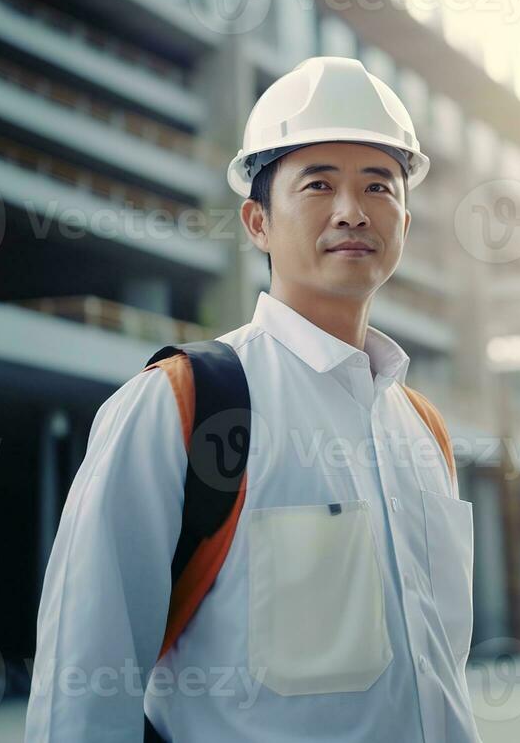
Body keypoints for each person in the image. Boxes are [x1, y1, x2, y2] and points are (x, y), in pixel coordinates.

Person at [26, 58, 479, 742]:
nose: (352, 211)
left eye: (377, 186)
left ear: (405, 225)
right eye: (318, 184)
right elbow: (83, 684)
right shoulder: (182, 404)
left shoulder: (424, 432)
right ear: (257, 222)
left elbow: (441, 668)